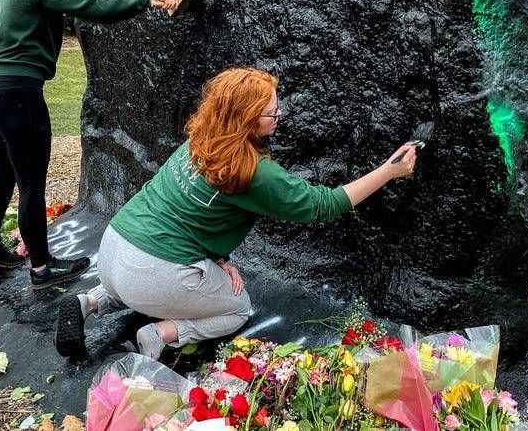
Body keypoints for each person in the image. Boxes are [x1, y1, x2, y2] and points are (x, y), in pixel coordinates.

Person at [54, 67, 419, 358]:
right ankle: (160, 334)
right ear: (246, 119)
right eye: (271, 112)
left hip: (114, 248)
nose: (278, 115)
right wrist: (388, 171)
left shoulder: (199, 140)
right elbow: (322, 205)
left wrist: (217, 259)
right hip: (149, 271)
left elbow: (193, 212)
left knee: (144, 283)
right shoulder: (253, 172)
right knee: (236, 309)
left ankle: (89, 302)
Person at [0, 0, 181, 290]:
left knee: (3, 173)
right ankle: (41, 269)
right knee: (31, 184)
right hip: (19, 92)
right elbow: (93, 5)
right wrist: (148, 0)